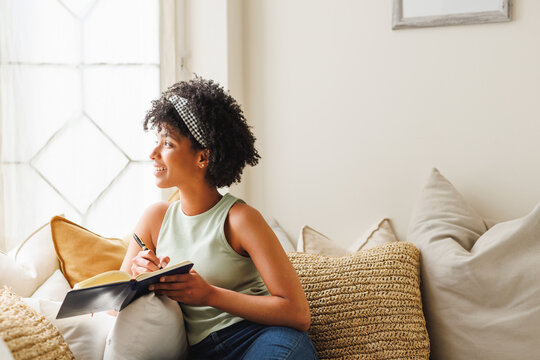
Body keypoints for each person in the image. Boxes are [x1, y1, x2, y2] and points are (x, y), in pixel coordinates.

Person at [119, 77, 318, 359]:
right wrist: (136, 275)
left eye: (168, 144)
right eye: (156, 142)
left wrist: (209, 294)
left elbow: (298, 313)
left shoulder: (240, 219)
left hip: (260, 338)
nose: (153, 153)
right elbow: (114, 304)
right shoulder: (154, 219)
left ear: (203, 157)